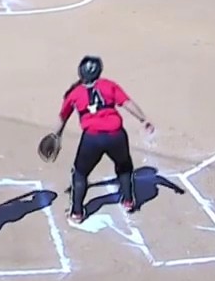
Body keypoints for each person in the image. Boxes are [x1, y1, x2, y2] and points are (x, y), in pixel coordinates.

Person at [50, 56, 155, 226]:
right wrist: (143, 119)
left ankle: (76, 212)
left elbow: (62, 117)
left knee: (80, 173)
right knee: (124, 166)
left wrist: (56, 135)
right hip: (116, 136)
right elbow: (127, 103)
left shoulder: (74, 93)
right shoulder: (109, 85)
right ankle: (128, 201)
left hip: (92, 139)